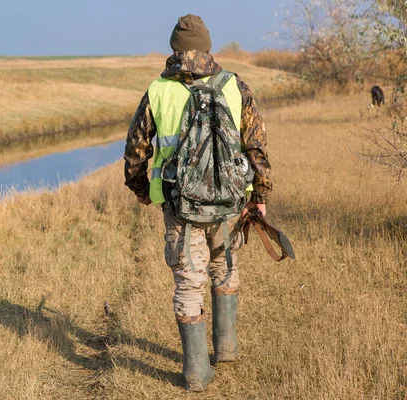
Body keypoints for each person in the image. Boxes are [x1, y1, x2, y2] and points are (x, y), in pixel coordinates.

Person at [123, 14, 272, 392]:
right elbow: (256, 147)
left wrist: (143, 191)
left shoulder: (157, 90)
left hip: (180, 207)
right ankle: (226, 348)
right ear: (207, 46)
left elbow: (136, 153)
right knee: (225, 268)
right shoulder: (235, 86)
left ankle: (196, 374)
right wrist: (260, 197)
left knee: (189, 283)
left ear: (175, 48)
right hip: (229, 205)